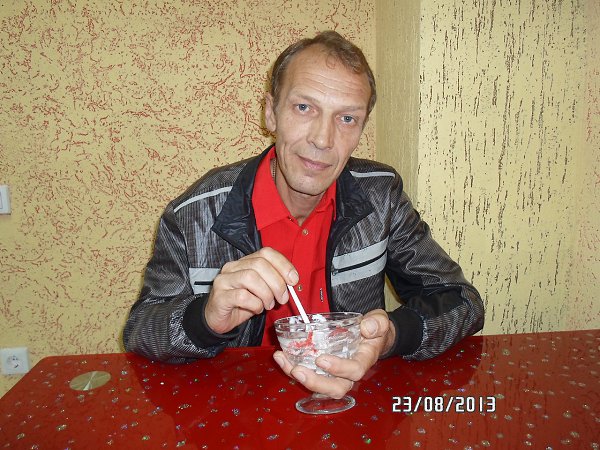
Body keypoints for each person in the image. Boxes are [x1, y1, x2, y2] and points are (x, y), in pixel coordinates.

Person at [123, 30, 484, 400]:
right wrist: (206, 318)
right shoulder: (192, 216)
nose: (323, 139)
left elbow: (461, 301)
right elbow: (140, 331)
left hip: (352, 401)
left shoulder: (381, 196)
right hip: (239, 407)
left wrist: (392, 335)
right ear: (271, 113)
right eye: (303, 108)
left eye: (347, 118)